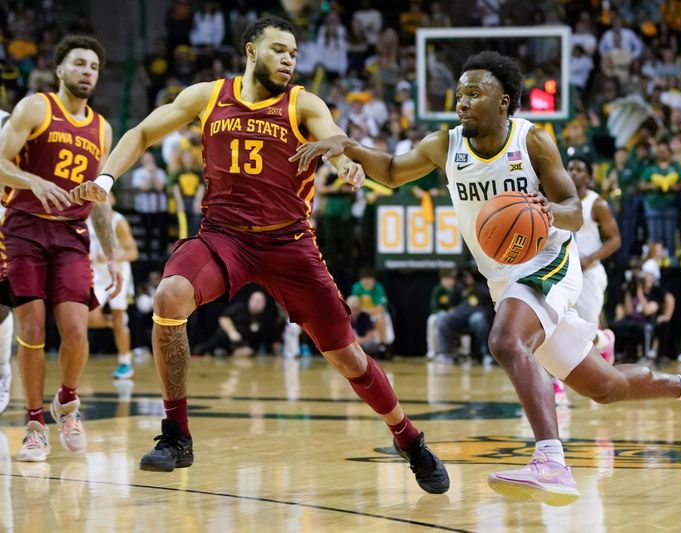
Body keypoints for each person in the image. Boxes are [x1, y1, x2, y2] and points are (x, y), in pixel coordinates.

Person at [293, 50, 681, 505]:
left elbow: (573, 208)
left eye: (475, 93)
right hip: (504, 279)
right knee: (605, 387)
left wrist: (549, 213)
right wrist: (348, 146)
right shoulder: (445, 144)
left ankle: (551, 460)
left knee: (507, 341)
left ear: (505, 101)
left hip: (550, 260)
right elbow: (392, 172)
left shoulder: (532, 141)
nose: (463, 102)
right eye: (459, 94)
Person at [69, 16, 448, 493]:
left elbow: (330, 137)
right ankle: (176, 435)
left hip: (288, 244)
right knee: (168, 298)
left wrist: (347, 164)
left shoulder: (303, 102)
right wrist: (105, 180)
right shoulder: (207, 96)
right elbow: (142, 133)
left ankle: (409, 438)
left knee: (348, 358)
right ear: (251, 51)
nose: (289, 60)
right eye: (278, 50)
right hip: (224, 237)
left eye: (293, 53)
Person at [0, 35, 121, 462]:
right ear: (60, 70)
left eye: (94, 66)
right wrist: (31, 180)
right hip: (25, 229)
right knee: (31, 330)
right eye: (80, 64)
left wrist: (110, 252)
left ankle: (66, 403)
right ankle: (34, 424)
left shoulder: (102, 128)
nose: (88, 71)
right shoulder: (36, 107)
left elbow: (101, 199)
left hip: (72, 235)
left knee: (76, 329)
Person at [567, 157, 620, 363]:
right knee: (558, 327)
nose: (573, 173)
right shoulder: (559, 201)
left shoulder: (597, 204)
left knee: (586, 333)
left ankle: (605, 340)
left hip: (589, 272)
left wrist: (589, 258)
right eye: (570, 168)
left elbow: (615, 240)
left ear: (589, 177)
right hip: (564, 272)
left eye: (579, 169)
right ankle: (556, 384)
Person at [87, 192, 138, 379]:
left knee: (119, 316)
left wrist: (111, 257)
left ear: (113, 199)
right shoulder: (85, 218)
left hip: (118, 273)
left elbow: (133, 252)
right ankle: (116, 325)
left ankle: (125, 362)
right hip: (96, 275)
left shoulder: (118, 221)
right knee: (88, 318)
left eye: (106, 196)